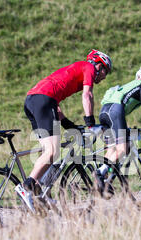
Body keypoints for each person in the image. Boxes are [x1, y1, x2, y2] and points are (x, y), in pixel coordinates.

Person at [16, 49, 112, 211]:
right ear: (97, 65)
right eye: (104, 71)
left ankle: (40, 193)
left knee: (49, 151)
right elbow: (87, 95)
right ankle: (26, 187)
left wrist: (69, 125)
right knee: (52, 152)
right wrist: (90, 124)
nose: (104, 76)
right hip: (44, 100)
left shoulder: (74, 71)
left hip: (33, 100)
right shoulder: (88, 67)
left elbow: (55, 104)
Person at [95, 67, 141, 184]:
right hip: (115, 110)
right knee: (123, 149)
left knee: (111, 149)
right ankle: (100, 171)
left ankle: (103, 183)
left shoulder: (127, 87)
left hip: (103, 112)